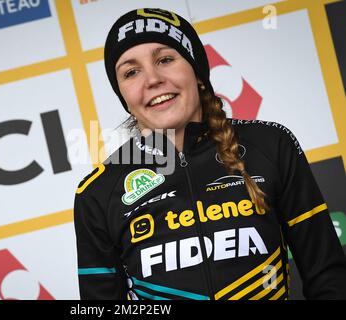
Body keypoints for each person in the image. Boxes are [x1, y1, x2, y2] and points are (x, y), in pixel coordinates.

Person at [73, 8, 346, 300]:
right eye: (131, 72)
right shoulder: (97, 193)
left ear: (197, 73)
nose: (152, 79)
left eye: (165, 59)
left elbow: (329, 276)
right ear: (123, 95)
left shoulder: (271, 145)